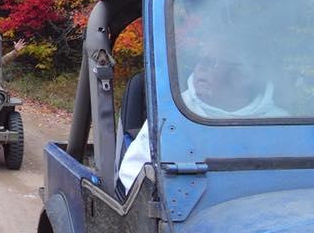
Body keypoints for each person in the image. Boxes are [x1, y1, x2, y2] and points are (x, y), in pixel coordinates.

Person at [117, 37, 286, 197]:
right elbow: (132, 175)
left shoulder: (282, 124)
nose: (200, 67)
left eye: (211, 63)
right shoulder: (169, 117)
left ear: (243, 76)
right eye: (199, 60)